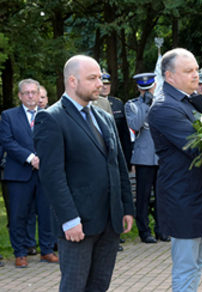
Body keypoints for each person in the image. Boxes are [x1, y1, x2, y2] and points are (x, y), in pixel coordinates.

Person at [33, 55, 135, 291]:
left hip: (109, 220)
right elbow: (52, 176)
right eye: (92, 78)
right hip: (77, 223)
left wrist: (126, 207)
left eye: (100, 77)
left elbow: (118, 166)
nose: (99, 83)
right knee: (74, 286)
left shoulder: (105, 117)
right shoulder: (50, 118)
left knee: (99, 286)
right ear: (72, 81)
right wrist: (69, 219)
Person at [147, 48, 202, 292]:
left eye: (196, 69)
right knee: (186, 266)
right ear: (169, 76)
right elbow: (199, 148)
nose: (196, 75)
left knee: (198, 261)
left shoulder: (191, 101)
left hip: (201, 195)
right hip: (183, 198)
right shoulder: (164, 107)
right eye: (188, 71)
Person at [0, 78, 58, 268]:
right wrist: (30, 158)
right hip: (19, 173)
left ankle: (47, 250)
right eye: (27, 93)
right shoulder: (8, 116)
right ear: (20, 96)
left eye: (34, 92)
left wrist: (44, 159)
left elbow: (55, 141)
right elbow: (7, 141)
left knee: (46, 213)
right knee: (19, 215)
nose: (31, 96)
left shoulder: (49, 115)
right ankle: (20, 252)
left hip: (44, 173)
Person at [125, 72, 169, 244]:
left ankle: (162, 229)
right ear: (138, 88)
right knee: (143, 197)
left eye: (150, 87)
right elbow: (135, 125)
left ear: (155, 85)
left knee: (162, 196)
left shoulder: (163, 102)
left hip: (160, 155)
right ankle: (144, 231)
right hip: (143, 157)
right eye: (144, 89)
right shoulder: (132, 105)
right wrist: (145, 104)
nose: (148, 91)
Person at [101, 71, 134, 171]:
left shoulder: (117, 103)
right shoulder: (90, 104)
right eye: (102, 84)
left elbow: (125, 135)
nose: (105, 87)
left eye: (107, 84)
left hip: (117, 151)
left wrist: (128, 159)